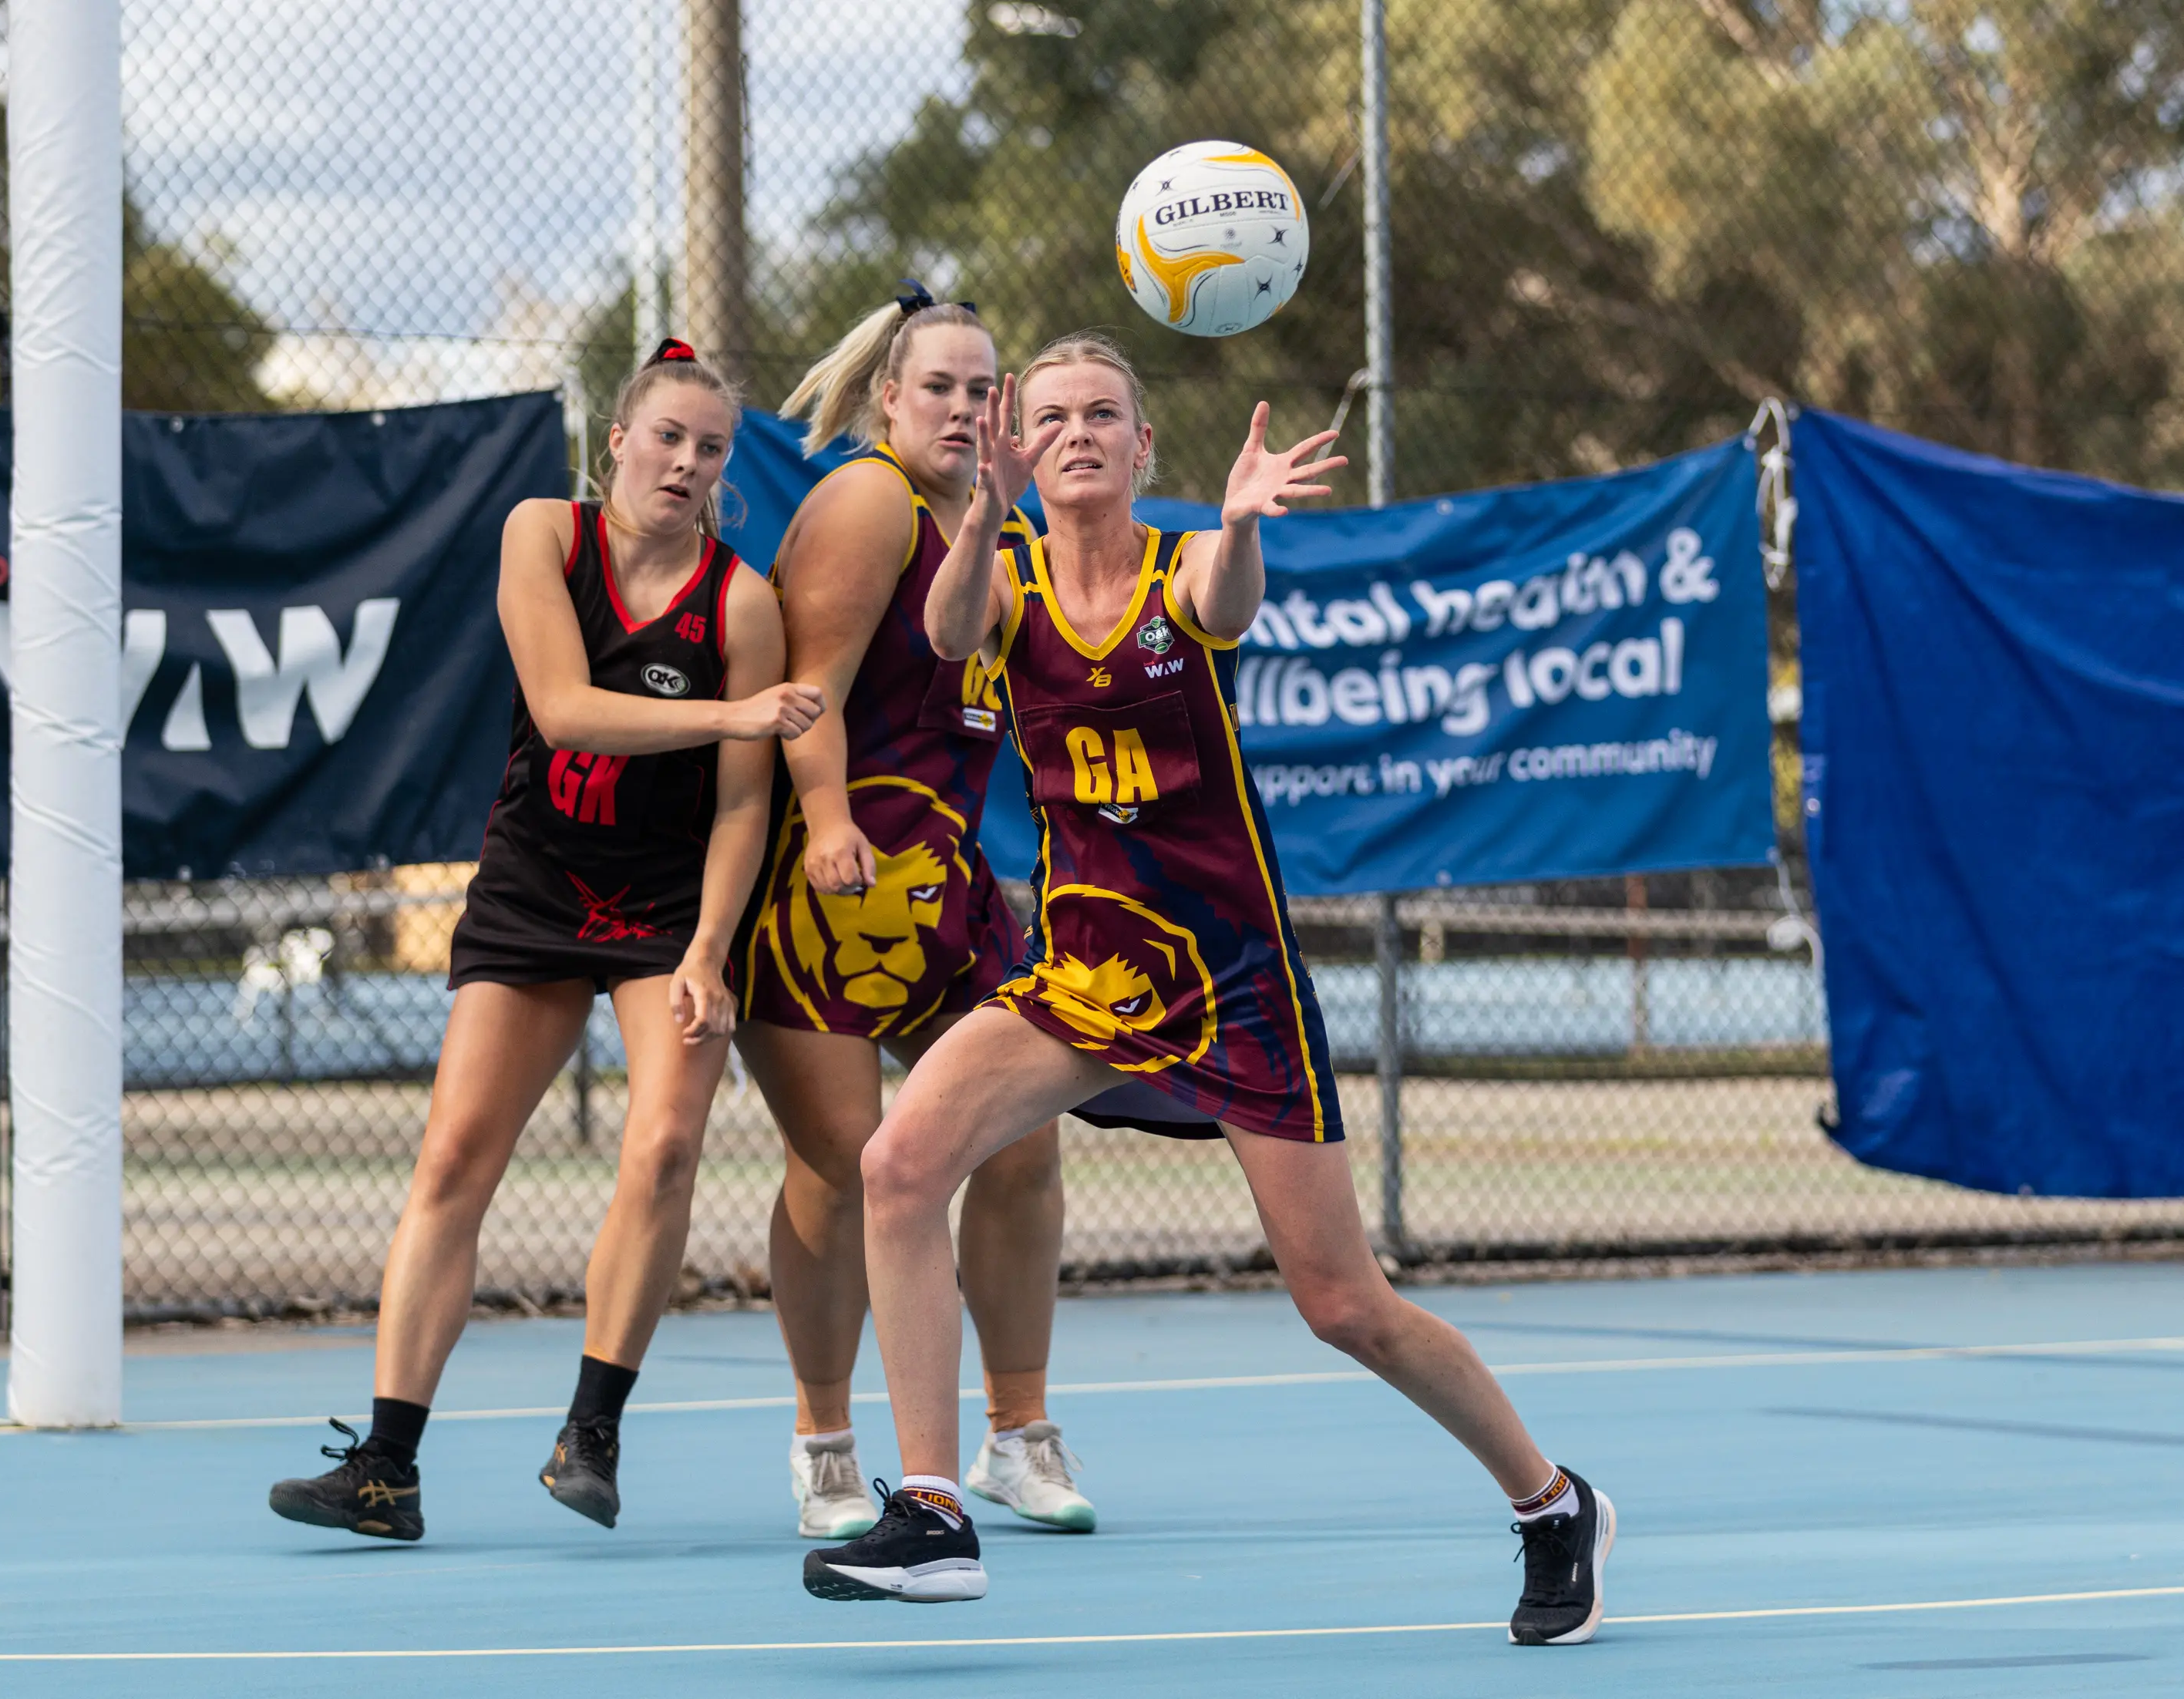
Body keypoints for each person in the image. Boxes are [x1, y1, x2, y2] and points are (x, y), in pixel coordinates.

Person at [797, 334, 1615, 1647]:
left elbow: (1226, 607)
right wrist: (979, 515)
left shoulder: (1185, 574)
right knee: (898, 1165)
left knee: (1339, 1304)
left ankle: (1549, 1500)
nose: (1074, 433)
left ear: (1140, 447)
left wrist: (1236, 525)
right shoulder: (1002, 582)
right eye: (1049, 415)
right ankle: (936, 1511)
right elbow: (949, 635)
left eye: (1102, 416)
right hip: (1082, 972)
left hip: (1233, 985)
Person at [268, 340, 824, 1539]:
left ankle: (592, 1430)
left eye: (710, 447)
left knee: (668, 1143)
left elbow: (743, 802)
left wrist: (709, 949)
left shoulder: (741, 601)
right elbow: (565, 708)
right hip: (535, 884)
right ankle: (384, 1468)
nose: (684, 462)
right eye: (666, 436)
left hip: (668, 904)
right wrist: (736, 711)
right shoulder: (544, 535)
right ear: (617, 439)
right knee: (455, 1158)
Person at [735, 285, 1092, 1541]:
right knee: (840, 1167)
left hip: (950, 897)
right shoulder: (869, 501)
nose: (960, 406)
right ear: (889, 399)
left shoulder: (996, 527)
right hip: (825, 889)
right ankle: (824, 1446)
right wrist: (829, 823)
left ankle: (1018, 1432)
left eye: (980, 388)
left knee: (1021, 1142)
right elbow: (804, 690)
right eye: (936, 385)